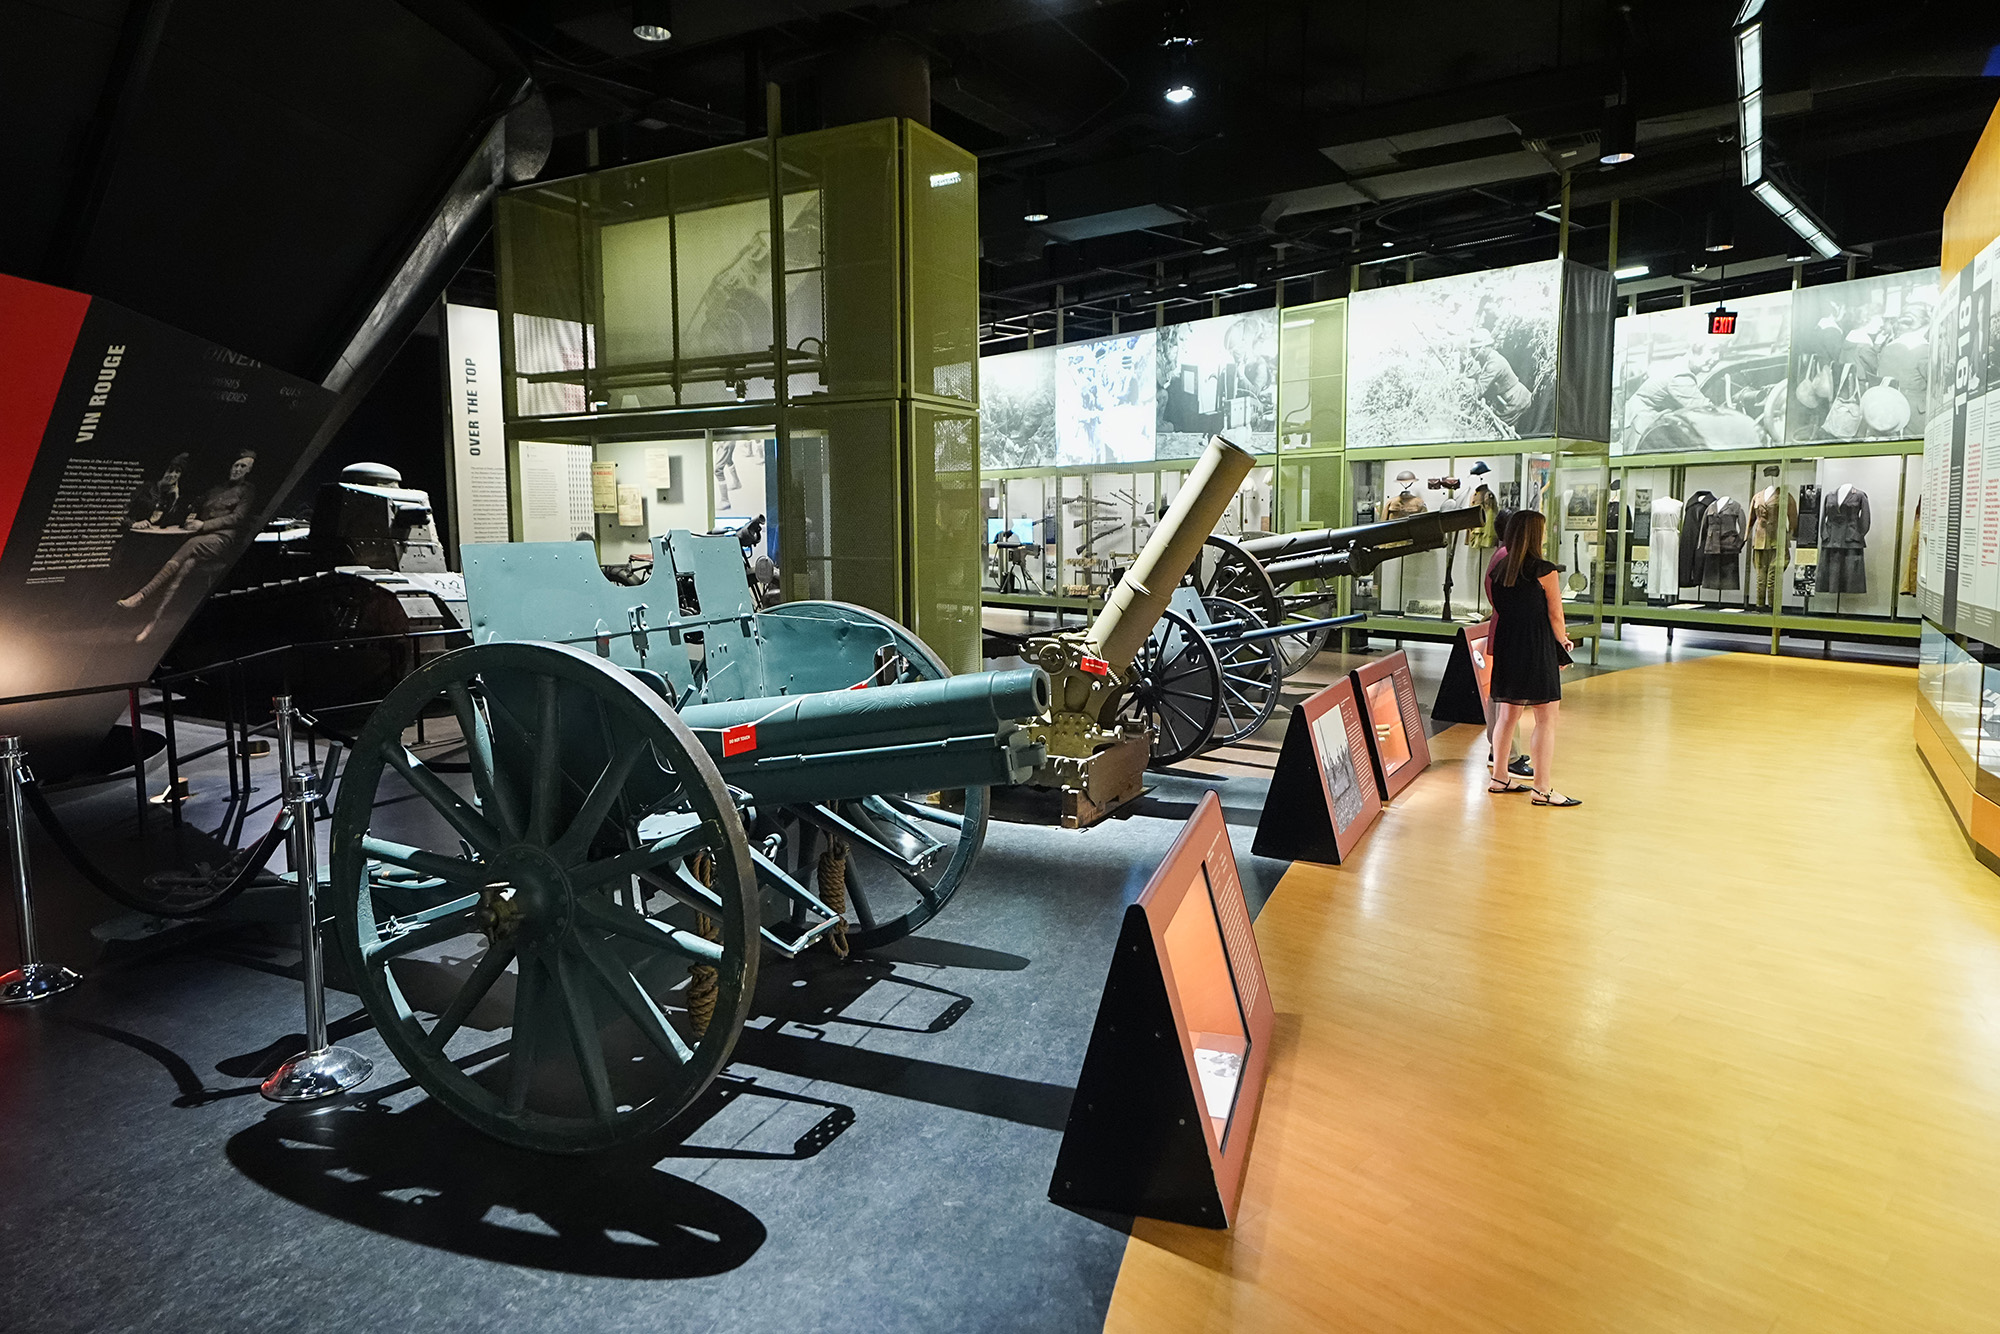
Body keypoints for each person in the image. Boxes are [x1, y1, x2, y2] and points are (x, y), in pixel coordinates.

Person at [1486, 509, 1579, 806]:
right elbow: (1555, 615)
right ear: (1535, 535)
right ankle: (1542, 788)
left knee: (1507, 714)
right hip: (1536, 646)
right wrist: (1563, 643)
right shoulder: (1545, 570)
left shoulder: (1499, 572)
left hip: (1508, 645)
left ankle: (1499, 776)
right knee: (1546, 718)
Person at [118, 449, 258, 642]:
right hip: (201, 537)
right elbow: (196, 506)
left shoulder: (248, 491)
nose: (237, 469)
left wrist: (205, 525)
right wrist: (191, 514)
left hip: (222, 538)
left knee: (191, 544)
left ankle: (142, 594)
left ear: (249, 471)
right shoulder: (216, 490)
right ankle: (151, 626)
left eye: (243, 466)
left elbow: (238, 517)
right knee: (181, 572)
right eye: (236, 465)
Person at [1484, 509, 1532, 781]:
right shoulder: (1506, 558)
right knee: (1505, 697)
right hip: (1507, 631)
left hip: (1504, 629)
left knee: (1503, 694)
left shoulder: (1503, 555)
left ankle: (1503, 750)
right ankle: (1507, 754)